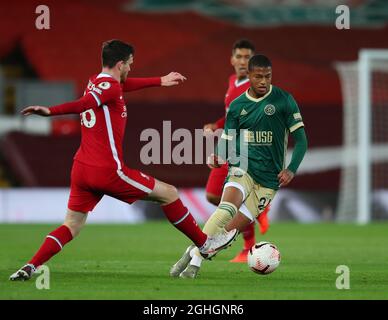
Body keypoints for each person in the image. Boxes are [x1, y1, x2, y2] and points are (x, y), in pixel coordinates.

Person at [10, 39, 237, 281]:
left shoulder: (96, 82)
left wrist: (159, 80)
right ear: (120, 64)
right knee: (169, 193)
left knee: (72, 225)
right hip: (107, 170)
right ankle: (205, 244)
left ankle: (30, 266)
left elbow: (119, 86)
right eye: (129, 64)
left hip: (81, 169)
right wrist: (50, 111)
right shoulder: (109, 88)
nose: (131, 68)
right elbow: (85, 103)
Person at [170, 54, 308, 278]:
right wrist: (217, 155)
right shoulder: (237, 106)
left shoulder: (284, 100)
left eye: (268, 77)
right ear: (249, 76)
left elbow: (302, 140)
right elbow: (227, 137)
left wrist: (291, 168)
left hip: (269, 182)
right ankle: (195, 264)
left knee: (229, 232)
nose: (263, 81)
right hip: (242, 167)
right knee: (225, 209)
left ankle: (192, 250)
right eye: (258, 77)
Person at [203, 39, 270, 264]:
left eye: (247, 58)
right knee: (212, 195)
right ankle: (256, 210)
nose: (243, 61)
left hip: (243, 149)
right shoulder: (233, 81)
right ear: (232, 60)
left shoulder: (255, 88)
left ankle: (248, 246)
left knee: (228, 201)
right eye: (239, 57)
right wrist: (216, 124)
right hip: (227, 143)